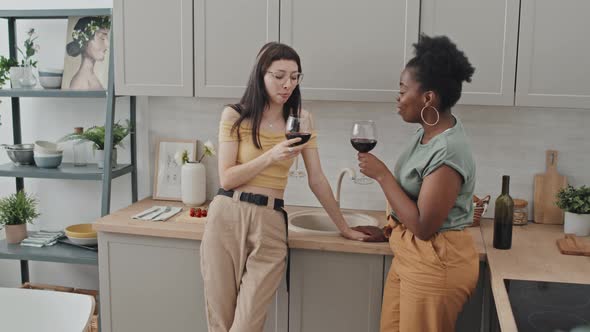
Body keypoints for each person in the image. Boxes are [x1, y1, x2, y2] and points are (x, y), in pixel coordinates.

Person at [200, 42, 369, 332]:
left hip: (270, 224)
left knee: (246, 326)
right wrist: (271, 156)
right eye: (279, 76)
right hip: (226, 216)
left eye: (295, 76)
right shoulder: (235, 115)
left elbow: (317, 178)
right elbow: (227, 178)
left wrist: (343, 226)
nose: (287, 84)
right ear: (260, 75)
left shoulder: (302, 120)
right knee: (220, 323)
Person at [353, 34, 479, 332]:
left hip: (436, 263)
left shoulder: (448, 150)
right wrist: (391, 228)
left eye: (403, 90)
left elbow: (425, 226)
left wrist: (382, 175)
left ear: (428, 98)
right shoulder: (427, 135)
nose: (398, 98)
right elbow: (415, 206)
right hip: (413, 256)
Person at [66, 16, 110, 90]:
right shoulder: (81, 83)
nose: (107, 44)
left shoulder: (90, 77)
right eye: (102, 38)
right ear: (85, 41)